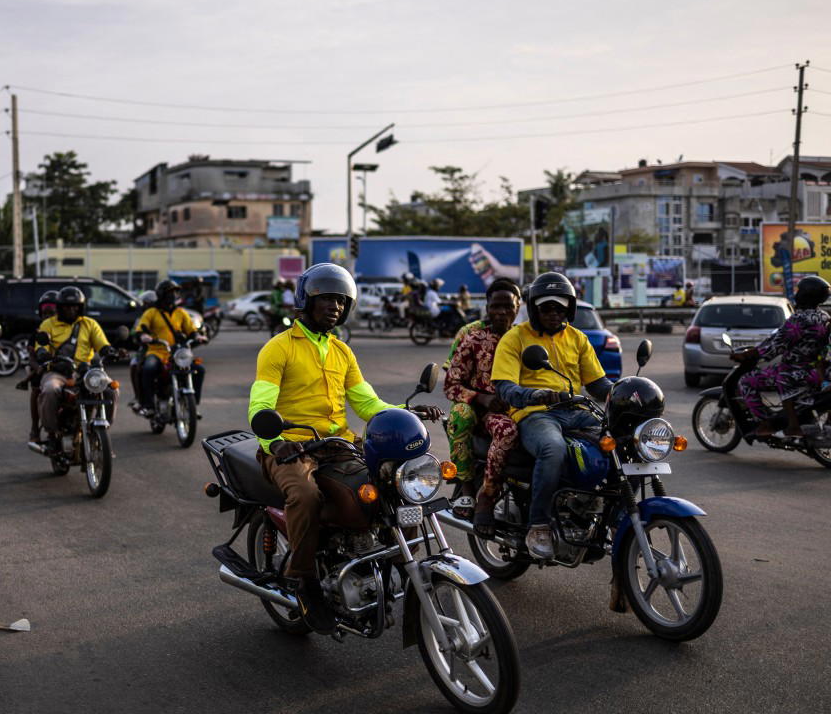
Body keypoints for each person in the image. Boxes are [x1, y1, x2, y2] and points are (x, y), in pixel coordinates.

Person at [249, 263, 433, 633]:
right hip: (291, 447)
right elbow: (261, 404)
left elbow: (367, 403)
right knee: (305, 495)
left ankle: (396, 559)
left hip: (337, 444)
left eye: (340, 301)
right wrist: (275, 441)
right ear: (306, 301)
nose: (334, 306)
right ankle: (304, 581)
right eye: (326, 299)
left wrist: (404, 411)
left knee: (394, 486)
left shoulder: (341, 352)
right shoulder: (278, 348)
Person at [491, 272, 613, 560]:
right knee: (552, 448)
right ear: (534, 309)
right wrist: (536, 395)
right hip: (536, 413)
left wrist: (623, 392)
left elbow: (596, 383)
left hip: (576, 411)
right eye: (546, 308)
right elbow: (505, 388)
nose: (553, 313)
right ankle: (539, 523)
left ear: (568, 309)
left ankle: (602, 510)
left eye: (559, 308)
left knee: (623, 442)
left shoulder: (577, 338)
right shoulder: (515, 338)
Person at [442, 278, 522, 528]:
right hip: (480, 410)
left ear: (518, 307)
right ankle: (471, 490)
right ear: (486, 306)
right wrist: (482, 398)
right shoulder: (472, 337)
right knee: (460, 415)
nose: (501, 313)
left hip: (519, 409)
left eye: (507, 307)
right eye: (495, 306)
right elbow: (451, 384)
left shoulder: (526, 338)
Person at [734, 275, 831, 437]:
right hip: (815, 372)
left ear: (806, 294)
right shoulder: (824, 317)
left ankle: (767, 424)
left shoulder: (798, 320)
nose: (796, 293)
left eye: (799, 290)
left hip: (793, 372)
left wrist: (752, 354)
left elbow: (775, 346)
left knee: (746, 381)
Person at [35, 286, 118, 457]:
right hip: (57, 371)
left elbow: (102, 344)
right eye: (66, 306)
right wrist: (42, 353)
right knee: (50, 390)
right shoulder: (48, 324)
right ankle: (52, 434)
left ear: (80, 307)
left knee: (111, 389)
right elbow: (40, 346)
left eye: (75, 306)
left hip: (85, 372)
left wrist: (108, 351)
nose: (71, 310)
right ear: (59, 307)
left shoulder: (89, 324)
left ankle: (104, 430)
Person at [135, 280, 206, 415]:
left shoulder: (181, 312)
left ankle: (192, 406)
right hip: (157, 352)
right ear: (162, 294)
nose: (173, 295)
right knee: (148, 368)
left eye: (175, 292)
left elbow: (191, 330)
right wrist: (144, 336)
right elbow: (141, 328)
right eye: (170, 292)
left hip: (178, 353)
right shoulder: (151, 312)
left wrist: (198, 336)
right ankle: (149, 405)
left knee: (199, 370)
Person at [16, 290, 59, 449]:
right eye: (45, 313)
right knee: (36, 388)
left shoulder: (67, 329)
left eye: (52, 313)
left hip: (66, 369)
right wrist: (39, 367)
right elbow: (32, 358)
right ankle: (35, 428)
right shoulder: (37, 333)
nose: (48, 317)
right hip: (43, 369)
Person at [127, 290, 157, 408]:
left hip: (166, 349)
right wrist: (140, 337)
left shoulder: (163, 315)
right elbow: (134, 333)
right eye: (146, 304)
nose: (146, 306)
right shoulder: (141, 319)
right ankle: (139, 397)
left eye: (148, 304)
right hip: (147, 349)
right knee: (135, 365)